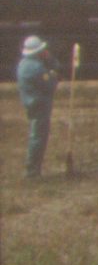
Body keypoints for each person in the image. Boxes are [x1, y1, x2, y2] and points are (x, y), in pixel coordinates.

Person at [15, 35, 60, 179]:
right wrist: (53, 69)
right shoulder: (37, 68)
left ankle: (33, 169)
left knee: (36, 135)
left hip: (30, 103)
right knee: (39, 137)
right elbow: (50, 84)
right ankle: (32, 170)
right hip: (39, 105)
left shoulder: (23, 64)